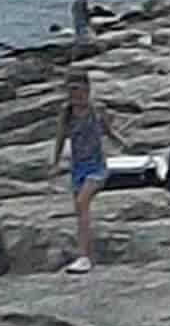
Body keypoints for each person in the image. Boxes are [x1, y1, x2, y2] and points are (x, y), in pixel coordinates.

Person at [50, 70, 129, 274]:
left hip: (97, 167)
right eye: (70, 91)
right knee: (80, 212)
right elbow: (60, 139)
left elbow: (108, 131)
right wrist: (55, 163)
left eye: (78, 90)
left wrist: (122, 143)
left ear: (87, 89)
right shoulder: (66, 114)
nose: (74, 95)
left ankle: (84, 257)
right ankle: (85, 250)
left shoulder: (97, 110)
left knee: (82, 202)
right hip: (78, 168)